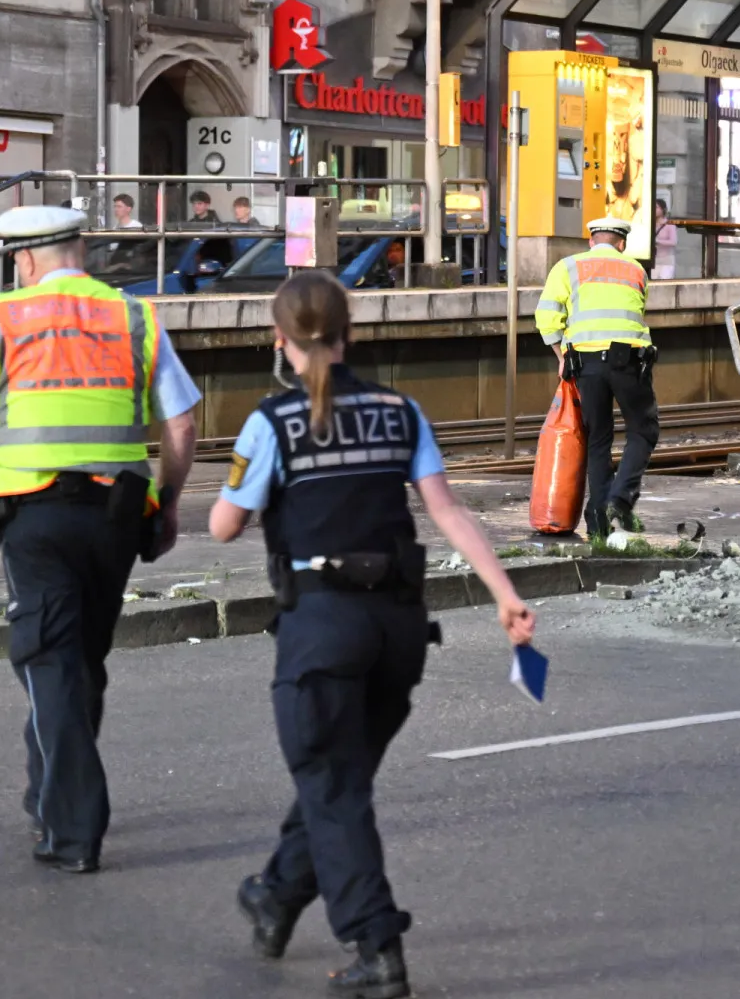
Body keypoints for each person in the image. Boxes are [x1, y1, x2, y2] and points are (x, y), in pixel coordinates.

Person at [210, 271, 535, 998]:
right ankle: (276, 894)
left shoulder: (272, 423)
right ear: (349, 334)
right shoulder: (400, 412)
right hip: (398, 629)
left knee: (331, 785)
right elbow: (447, 511)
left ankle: (376, 945)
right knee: (340, 780)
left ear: (279, 340)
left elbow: (225, 526)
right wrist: (505, 595)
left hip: (322, 627)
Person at [0, 205, 202, 875]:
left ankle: (75, 830)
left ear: (24, 259)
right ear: (80, 252)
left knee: (48, 660)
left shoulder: (2, 316)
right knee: (80, 659)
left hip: (34, 514)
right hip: (117, 515)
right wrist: (169, 505)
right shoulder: (134, 317)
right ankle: (45, 797)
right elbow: (182, 424)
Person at [534, 216, 659, 539]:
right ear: (622, 244)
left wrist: (562, 357)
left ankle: (598, 521)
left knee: (598, 438)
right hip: (629, 362)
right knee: (642, 430)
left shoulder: (567, 267)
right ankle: (621, 499)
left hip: (585, 363)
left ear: (591, 241)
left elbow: (546, 317)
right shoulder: (636, 270)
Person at [652, 200, 679, 282]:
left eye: (656, 207)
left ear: (663, 210)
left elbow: (673, 242)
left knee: (664, 283)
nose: (653, 210)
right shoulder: (651, 224)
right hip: (654, 261)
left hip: (666, 261)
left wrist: (657, 241)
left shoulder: (669, 224)